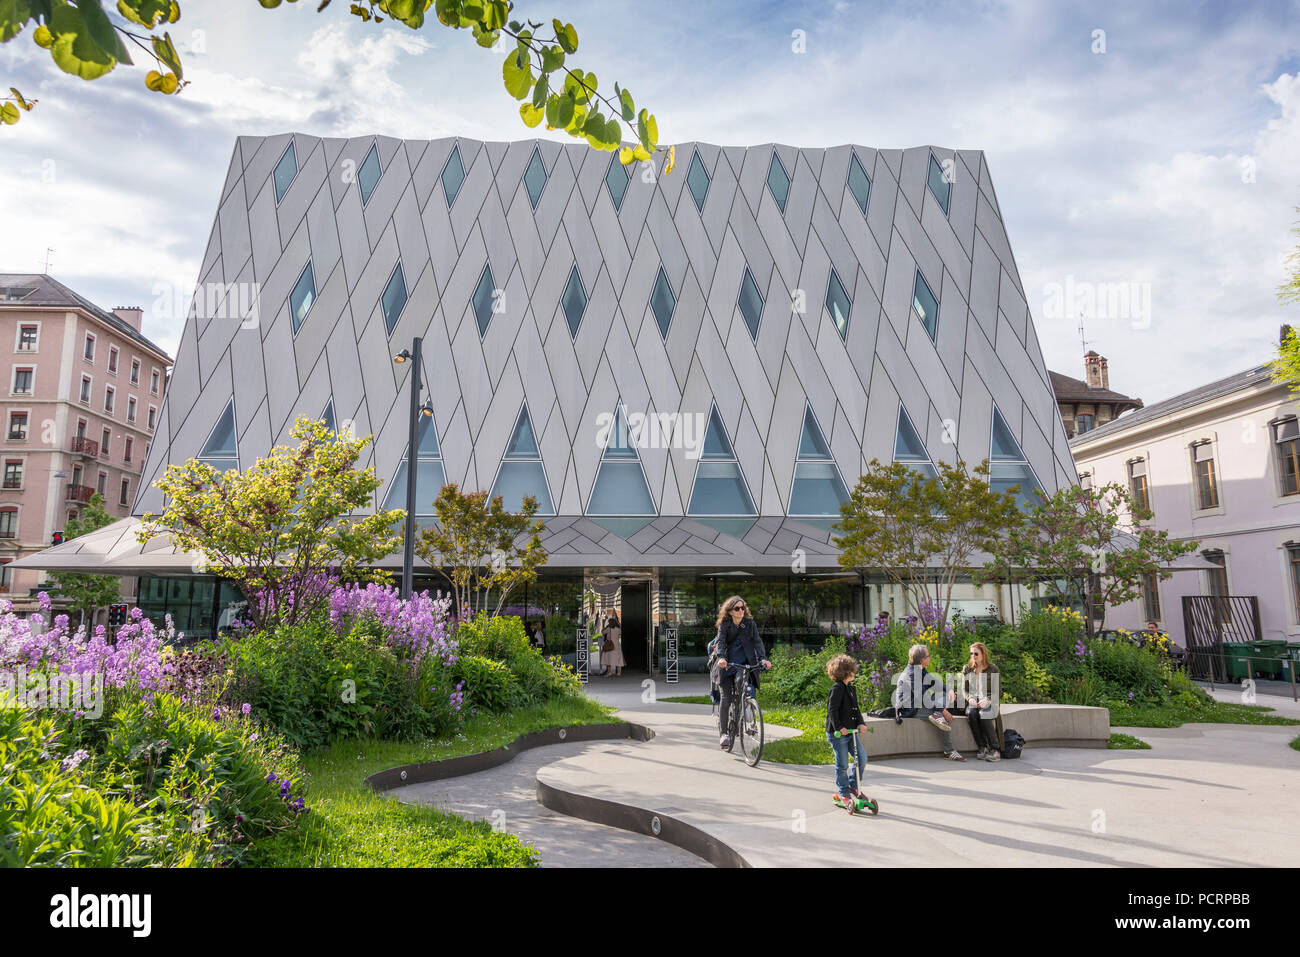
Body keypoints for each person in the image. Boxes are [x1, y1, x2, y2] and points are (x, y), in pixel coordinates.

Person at [713, 596, 772, 750]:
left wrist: (763, 658)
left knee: (744, 686)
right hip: (727, 664)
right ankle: (724, 734)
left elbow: (757, 642)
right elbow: (720, 642)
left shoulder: (750, 624)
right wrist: (721, 657)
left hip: (743, 663)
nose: (741, 611)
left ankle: (747, 714)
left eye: (743, 608)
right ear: (730, 611)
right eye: (737, 608)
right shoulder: (725, 625)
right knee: (726, 697)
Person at [894, 643, 965, 761]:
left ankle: (936, 714)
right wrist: (942, 710)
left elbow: (935, 683)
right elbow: (923, 698)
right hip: (911, 709)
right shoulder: (911, 674)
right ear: (922, 660)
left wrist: (949, 690)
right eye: (928, 656)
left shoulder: (920, 670)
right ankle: (949, 751)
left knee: (944, 695)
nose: (930, 657)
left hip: (921, 703)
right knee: (941, 714)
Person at [825, 653, 871, 812]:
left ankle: (853, 785)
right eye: (852, 670)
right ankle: (844, 792)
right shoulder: (836, 689)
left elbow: (855, 709)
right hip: (838, 734)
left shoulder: (851, 689)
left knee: (862, 758)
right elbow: (832, 710)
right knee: (842, 764)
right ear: (845, 672)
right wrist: (839, 727)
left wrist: (861, 723)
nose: (854, 672)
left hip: (851, 732)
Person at [962, 641, 1003, 762]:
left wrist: (988, 699)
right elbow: (964, 689)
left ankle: (995, 749)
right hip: (974, 701)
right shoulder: (968, 669)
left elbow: (998, 691)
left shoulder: (993, 669)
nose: (973, 656)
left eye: (976, 654)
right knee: (971, 713)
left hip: (989, 701)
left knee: (985, 713)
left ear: (983, 654)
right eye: (971, 654)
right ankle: (982, 747)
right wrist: (970, 698)